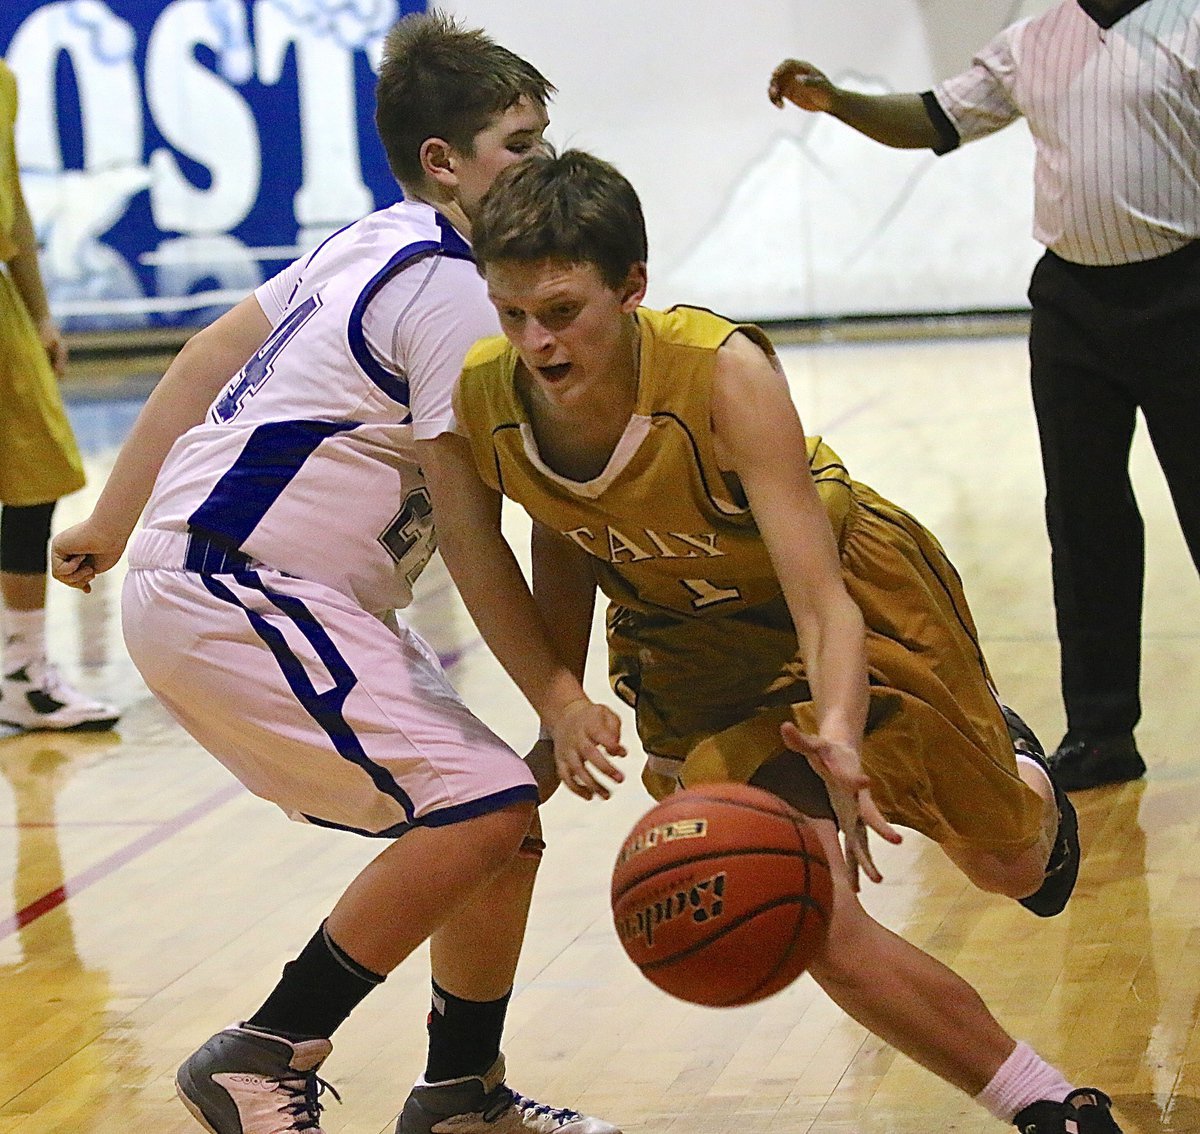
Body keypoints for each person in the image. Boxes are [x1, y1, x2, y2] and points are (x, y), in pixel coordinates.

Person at [417, 148, 1124, 1134]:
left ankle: (1019, 774)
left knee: (1012, 866)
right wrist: (559, 699)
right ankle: (1043, 1104)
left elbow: (821, 601)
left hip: (852, 586)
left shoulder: (721, 374)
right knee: (795, 892)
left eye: (563, 311)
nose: (537, 341)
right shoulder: (480, 398)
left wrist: (837, 728)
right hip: (689, 648)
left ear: (632, 290)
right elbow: (500, 543)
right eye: (512, 314)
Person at [50, 14, 619, 1134]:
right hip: (241, 584)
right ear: (444, 164)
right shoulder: (458, 294)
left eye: (546, 137)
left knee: (498, 829)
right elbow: (485, 529)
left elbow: (213, 350)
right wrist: (558, 698)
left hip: (244, 581)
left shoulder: (383, 237)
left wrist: (115, 518)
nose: (542, 162)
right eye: (518, 142)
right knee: (484, 804)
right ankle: (265, 1051)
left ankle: (461, 1093)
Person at [766, 0, 1200, 792]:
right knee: (1082, 517)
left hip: (1185, 294)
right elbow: (934, 118)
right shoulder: (1033, 39)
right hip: (1074, 304)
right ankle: (1103, 732)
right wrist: (838, 100)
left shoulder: (1189, 25)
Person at [0, 57, 118, 733]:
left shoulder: (5, 80)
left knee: (36, 472)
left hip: (3, 308)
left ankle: (22, 672)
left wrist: (39, 312)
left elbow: (11, 205)